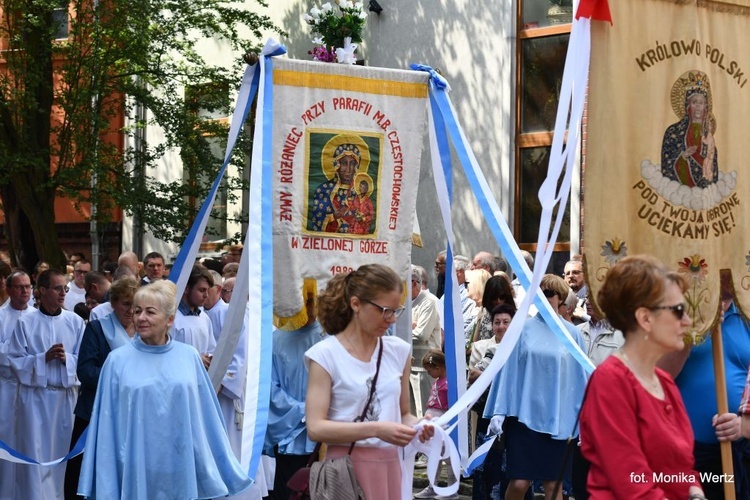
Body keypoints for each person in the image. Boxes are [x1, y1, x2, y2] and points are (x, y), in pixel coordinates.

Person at [77, 280, 252, 499]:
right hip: (135, 462)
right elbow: (107, 422)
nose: (141, 318)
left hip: (181, 461)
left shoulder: (189, 356)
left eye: (150, 312)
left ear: (169, 320)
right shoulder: (116, 361)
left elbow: (206, 417)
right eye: (137, 311)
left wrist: (219, 463)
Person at [579, 255, 730, 499]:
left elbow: (681, 469)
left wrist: (696, 493)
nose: (687, 321)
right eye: (678, 310)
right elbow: (631, 483)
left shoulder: (664, 382)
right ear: (645, 318)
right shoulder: (611, 383)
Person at [304, 264, 433, 499]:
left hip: (390, 467)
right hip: (345, 471)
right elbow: (315, 427)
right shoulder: (324, 355)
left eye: (396, 310)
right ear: (355, 304)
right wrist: (375, 429)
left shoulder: (398, 352)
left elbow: (403, 413)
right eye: (385, 310)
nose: (391, 319)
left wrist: (419, 426)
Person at [484, 274, 587, 500]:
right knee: (520, 482)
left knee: (553, 486)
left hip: (558, 420)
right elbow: (508, 370)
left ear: (560, 298)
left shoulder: (573, 334)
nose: (544, 296)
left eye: (549, 293)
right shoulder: (521, 328)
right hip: (524, 417)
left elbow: (580, 379)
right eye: (540, 292)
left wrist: (583, 420)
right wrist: (500, 410)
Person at [7, 269, 85, 499]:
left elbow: (85, 360)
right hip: (35, 400)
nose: (63, 293)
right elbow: (14, 361)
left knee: (61, 457)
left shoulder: (75, 322)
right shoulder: (25, 323)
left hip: (65, 400)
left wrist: (67, 360)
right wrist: (43, 358)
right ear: (42, 291)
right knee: (35, 456)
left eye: (65, 289)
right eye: (58, 288)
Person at [63, 276, 139, 499]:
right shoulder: (97, 329)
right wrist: (120, 380)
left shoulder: (144, 333)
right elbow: (85, 371)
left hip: (130, 413)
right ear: (113, 303)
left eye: (135, 305)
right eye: (126, 303)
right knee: (84, 471)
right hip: (95, 411)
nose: (130, 310)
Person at [265, 285, 325, 499]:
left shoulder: (329, 336)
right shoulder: (275, 339)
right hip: (290, 432)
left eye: (311, 302)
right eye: (303, 303)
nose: (309, 309)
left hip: (327, 432)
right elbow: (269, 388)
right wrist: (303, 412)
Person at [0, 270, 33, 498]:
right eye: (20, 287)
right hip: (6, 386)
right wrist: (18, 356)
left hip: (31, 389)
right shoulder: (0, 316)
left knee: (28, 440)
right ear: (9, 290)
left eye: (28, 287)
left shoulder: (38, 317)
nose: (24, 291)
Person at [661, 70, 718, 188]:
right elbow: (666, 167)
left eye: (701, 103)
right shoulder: (673, 132)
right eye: (694, 102)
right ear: (687, 106)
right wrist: (683, 157)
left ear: (706, 107)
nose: (698, 106)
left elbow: (715, 176)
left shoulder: (709, 137)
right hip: (679, 194)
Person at [414, 350, 456, 500]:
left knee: (447, 455)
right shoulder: (437, 381)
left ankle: (452, 488)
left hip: (442, 421)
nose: (429, 373)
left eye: (429, 370)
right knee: (434, 454)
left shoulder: (448, 383)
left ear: (438, 368)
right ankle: (433, 485)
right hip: (434, 419)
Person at [307, 139, 365, 233]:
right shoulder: (323, 190)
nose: (348, 169)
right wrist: (333, 216)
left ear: (356, 167)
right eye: (344, 163)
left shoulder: (360, 191)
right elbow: (315, 223)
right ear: (337, 165)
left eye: (352, 163)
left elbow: (367, 220)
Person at [410, 265, 442, 417]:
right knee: (410, 415)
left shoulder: (429, 302)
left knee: (424, 414)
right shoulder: (404, 302)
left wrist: (404, 331)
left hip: (425, 369)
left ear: (414, 283)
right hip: (408, 366)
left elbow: (421, 335)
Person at [172, 264, 215, 368]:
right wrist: (196, 359)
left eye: (207, 290)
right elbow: (166, 352)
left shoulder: (204, 318)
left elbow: (211, 348)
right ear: (186, 289)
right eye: (201, 290)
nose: (206, 295)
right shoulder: (172, 318)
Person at [471, 275, 516, 344]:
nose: (498, 301)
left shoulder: (515, 315)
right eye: (494, 298)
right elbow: (475, 339)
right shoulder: (483, 312)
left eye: (502, 297)